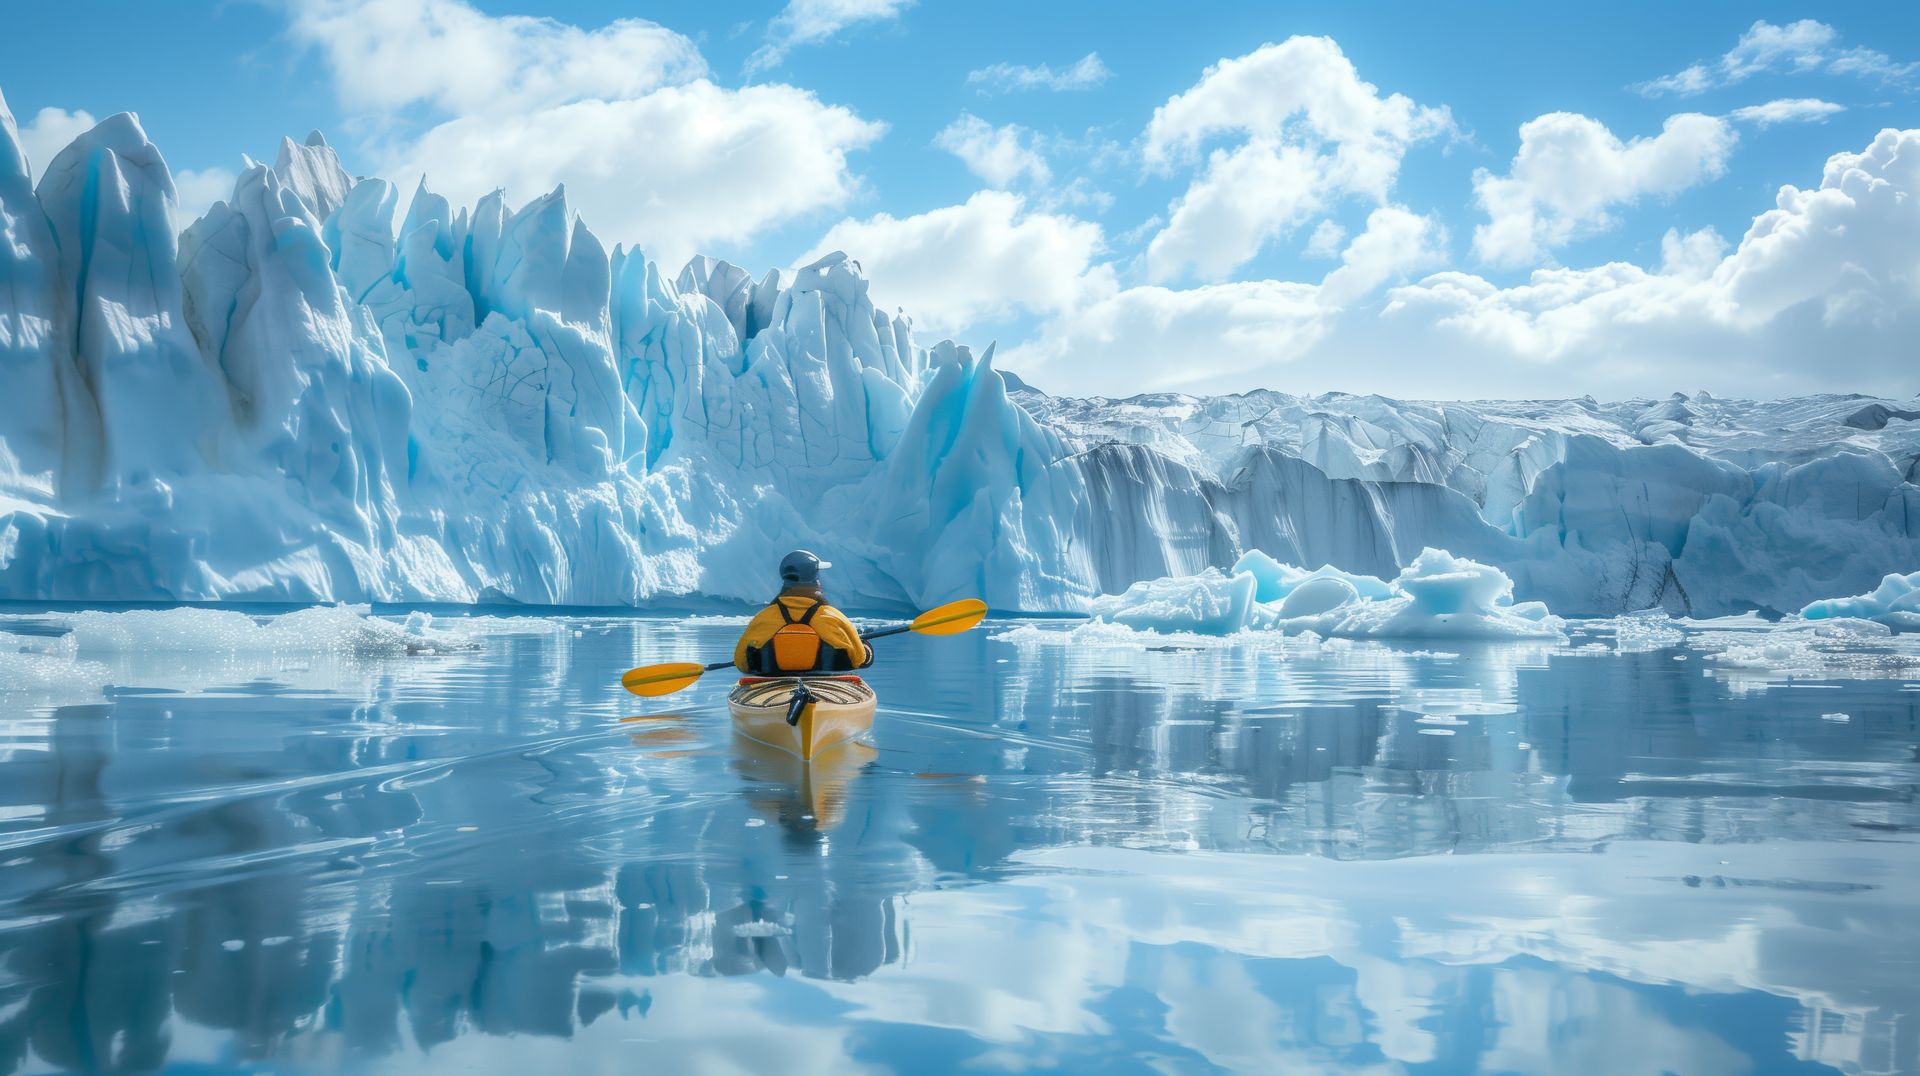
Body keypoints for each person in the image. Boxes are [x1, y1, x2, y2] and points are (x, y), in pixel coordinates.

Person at [734, 550, 871, 675]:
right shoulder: (833, 617)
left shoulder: (763, 618)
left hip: (769, 688)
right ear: (814, 579)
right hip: (829, 688)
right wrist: (865, 647)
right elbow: (859, 659)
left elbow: (740, 662)